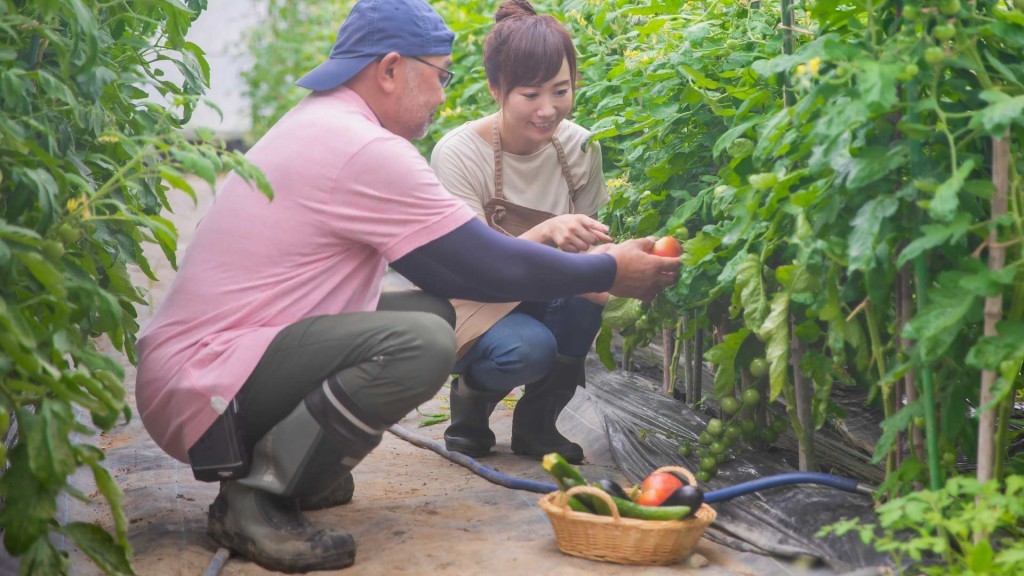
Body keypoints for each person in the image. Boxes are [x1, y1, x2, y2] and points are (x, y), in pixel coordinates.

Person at [135, 0, 679, 572]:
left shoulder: (326, 122)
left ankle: (299, 471)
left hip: (212, 363)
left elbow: (440, 278)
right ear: (391, 69)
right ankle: (255, 499)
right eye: (440, 75)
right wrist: (610, 270)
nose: (445, 95)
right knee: (422, 344)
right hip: (204, 385)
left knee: (430, 316)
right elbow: (479, 267)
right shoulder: (360, 147)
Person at [431, 0, 608, 465]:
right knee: (529, 348)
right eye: (530, 95)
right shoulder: (458, 155)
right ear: (496, 89)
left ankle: (537, 426)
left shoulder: (580, 146)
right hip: (473, 299)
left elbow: (590, 248)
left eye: (561, 90)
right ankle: (470, 398)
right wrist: (549, 230)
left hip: (542, 287)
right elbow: (470, 269)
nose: (548, 110)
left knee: (586, 299)